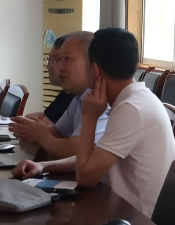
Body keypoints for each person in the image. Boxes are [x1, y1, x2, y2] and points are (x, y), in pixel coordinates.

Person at [13, 28, 175, 217]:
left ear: (95, 69)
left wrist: (90, 117)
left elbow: (85, 176)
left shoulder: (131, 108)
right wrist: (44, 166)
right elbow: (96, 157)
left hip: (137, 222)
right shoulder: (133, 99)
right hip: (121, 210)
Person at [8, 31, 109, 159]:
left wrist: (40, 135)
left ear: (91, 62)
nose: (59, 67)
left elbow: (73, 151)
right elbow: (57, 132)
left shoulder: (102, 101)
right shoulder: (79, 98)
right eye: (58, 60)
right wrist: (33, 129)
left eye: (67, 59)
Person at [39, 34, 74, 123]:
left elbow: (46, 125)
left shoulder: (79, 99)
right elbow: (45, 119)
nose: (48, 66)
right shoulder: (66, 93)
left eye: (55, 60)